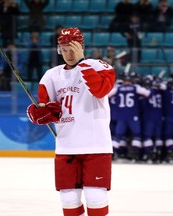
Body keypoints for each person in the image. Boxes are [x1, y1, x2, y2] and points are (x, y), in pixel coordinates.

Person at [26, 27, 115, 216]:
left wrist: (82, 62)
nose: (68, 54)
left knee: (95, 195)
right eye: (64, 50)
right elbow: (47, 109)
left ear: (81, 46)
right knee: (68, 197)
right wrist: (40, 114)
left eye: (72, 49)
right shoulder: (51, 75)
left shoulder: (100, 66)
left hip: (96, 145)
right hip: (66, 146)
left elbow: (100, 90)